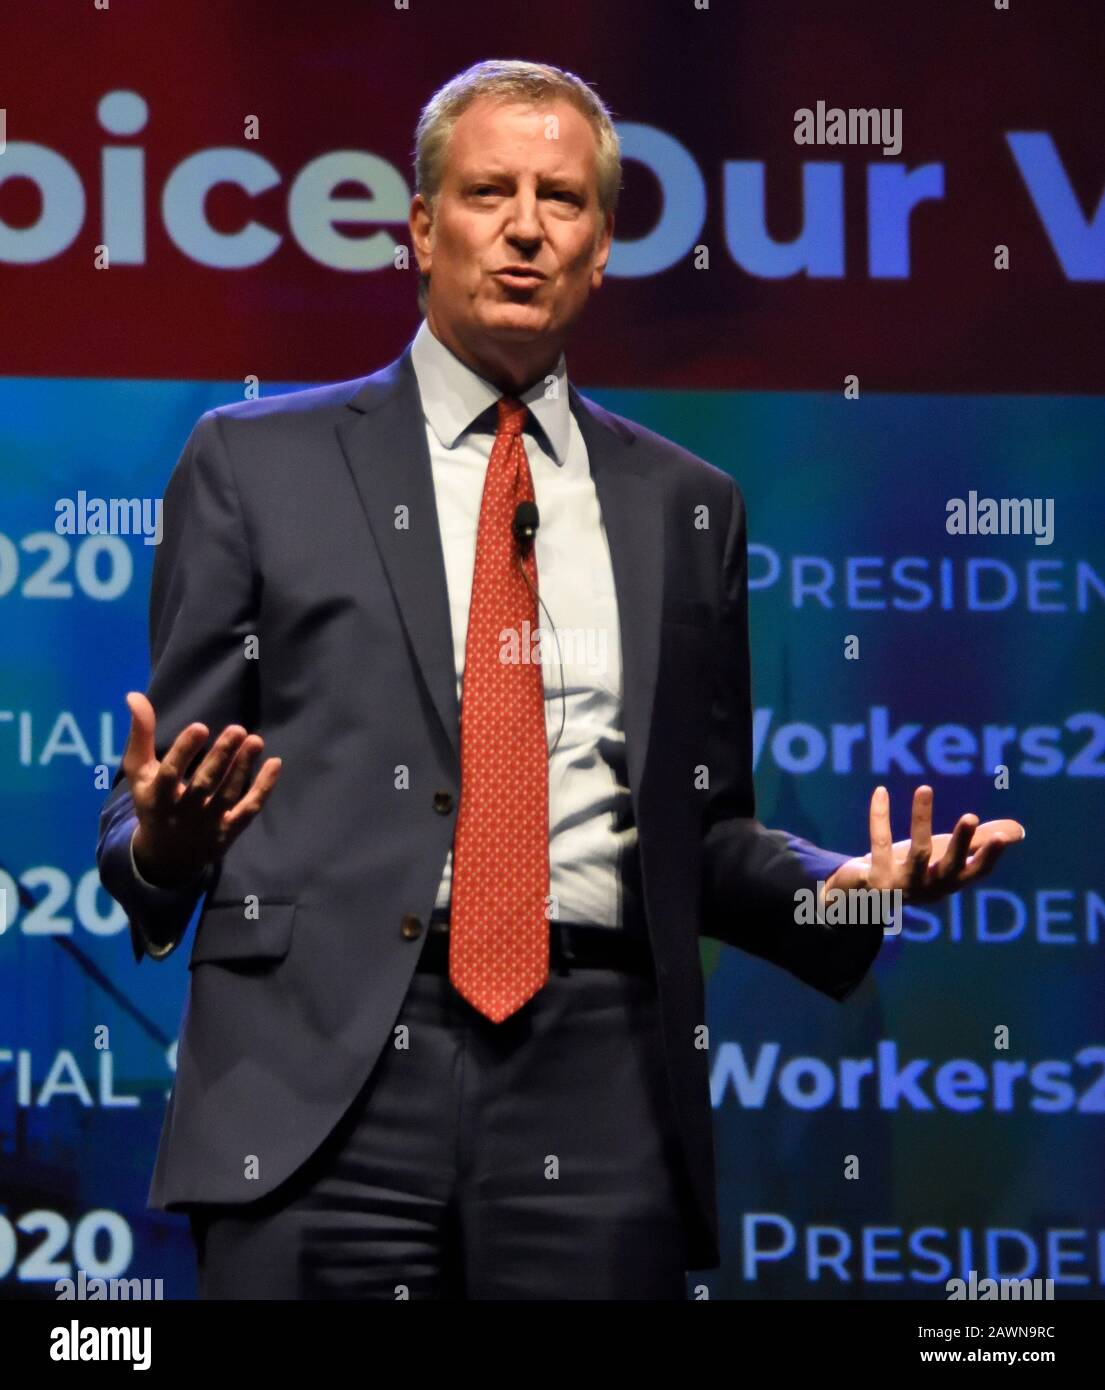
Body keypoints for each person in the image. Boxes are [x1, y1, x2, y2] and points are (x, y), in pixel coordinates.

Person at [97, 58, 1023, 1300]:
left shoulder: (688, 505)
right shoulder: (253, 463)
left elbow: (703, 829)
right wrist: (163, 842)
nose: (526, 226)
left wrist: (850, 892)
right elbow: (160, 803)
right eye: (489, 194)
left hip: (598, 1083)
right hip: (317, 1080)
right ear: (420, 228)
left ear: (602, 249)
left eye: (563, 200)